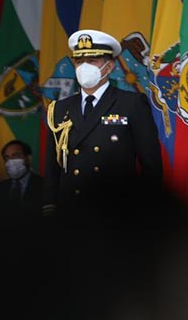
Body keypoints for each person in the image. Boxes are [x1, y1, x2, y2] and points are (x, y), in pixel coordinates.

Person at [44, 29, 162, 213]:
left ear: (109, 66)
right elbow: (52, 166)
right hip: (71, 211)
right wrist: (50, 205)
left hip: (116, 212)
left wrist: (145, 210)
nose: (84, 67)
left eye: (92, 61)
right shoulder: (59, 108)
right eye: (79, 61)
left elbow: (151, 164)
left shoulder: (131, 103)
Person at [0, 139, 44, 216]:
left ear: (28, 159)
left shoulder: (45, 186)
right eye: (7, 157)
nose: (11, 161)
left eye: (16, 155)